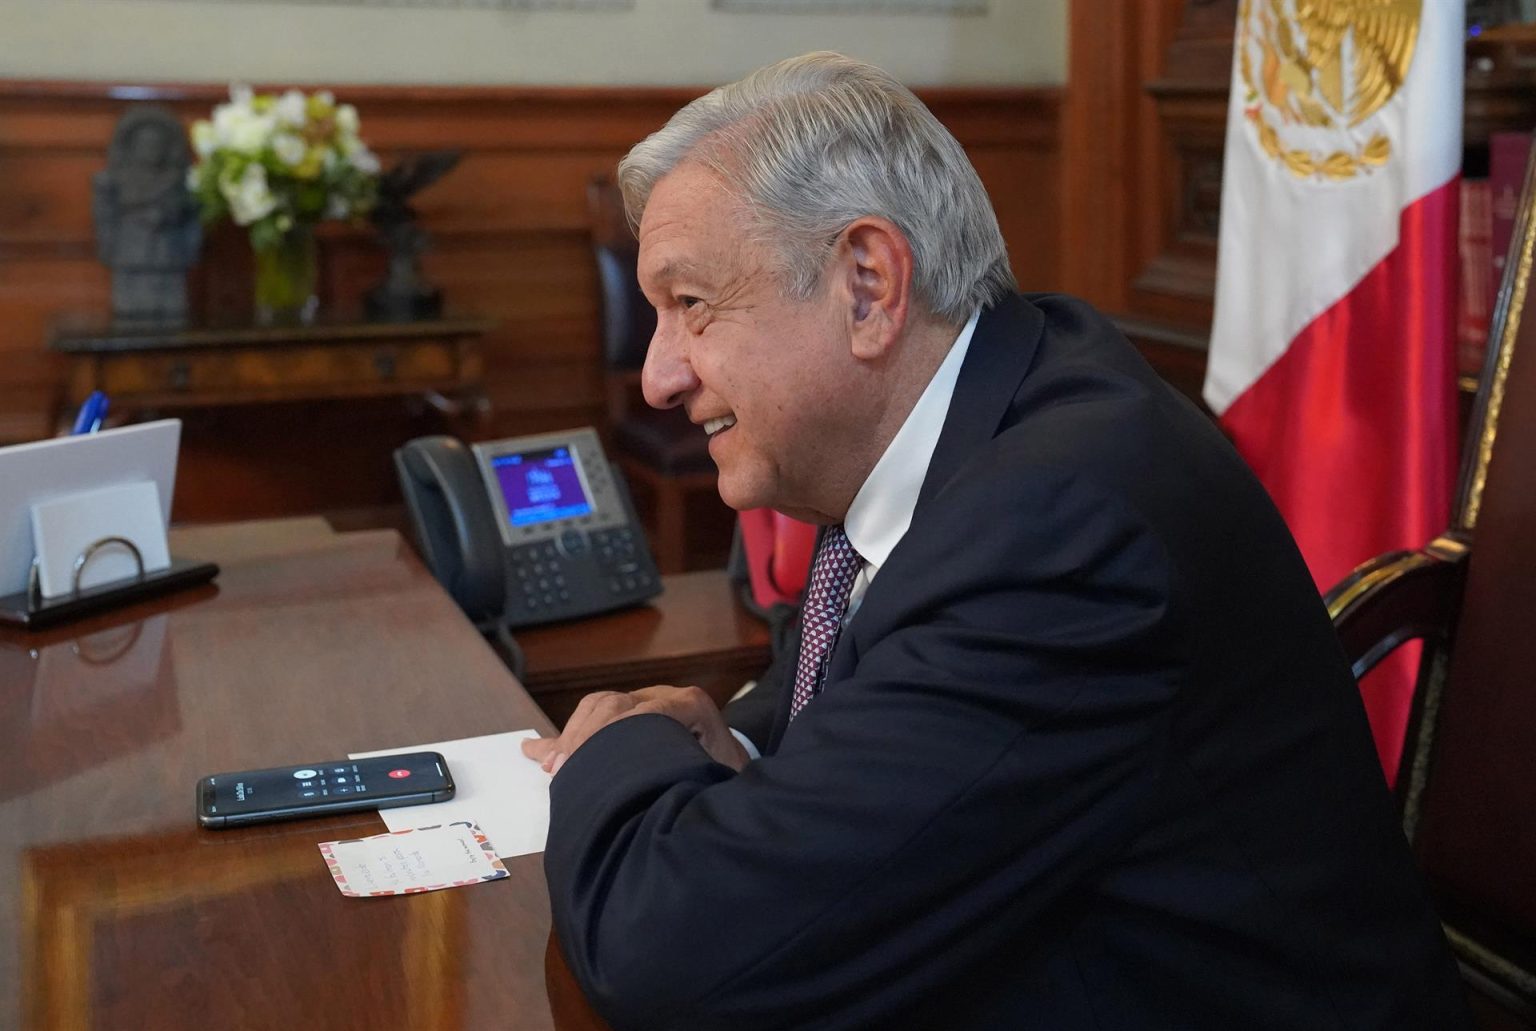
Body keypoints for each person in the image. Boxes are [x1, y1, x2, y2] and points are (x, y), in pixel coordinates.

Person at [522, 52, 1470, 1030]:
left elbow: (668, 958)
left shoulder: (1057, 524)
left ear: (867, 282)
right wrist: (745, 734)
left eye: (691, 305)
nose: (658, 377)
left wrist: (618, 744)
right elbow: (889, 667)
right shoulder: (997, 402)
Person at [93, 105, 202, 323]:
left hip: (168, 252)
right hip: (131, 252)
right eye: (146, 145)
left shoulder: (178, 180)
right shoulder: (116, 180)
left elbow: (191, 214)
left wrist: (169, 215)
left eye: (157, 145)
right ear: (133, 147)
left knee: (172, 307)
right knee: (129, 308)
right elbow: (105, 217)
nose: (152, 151)